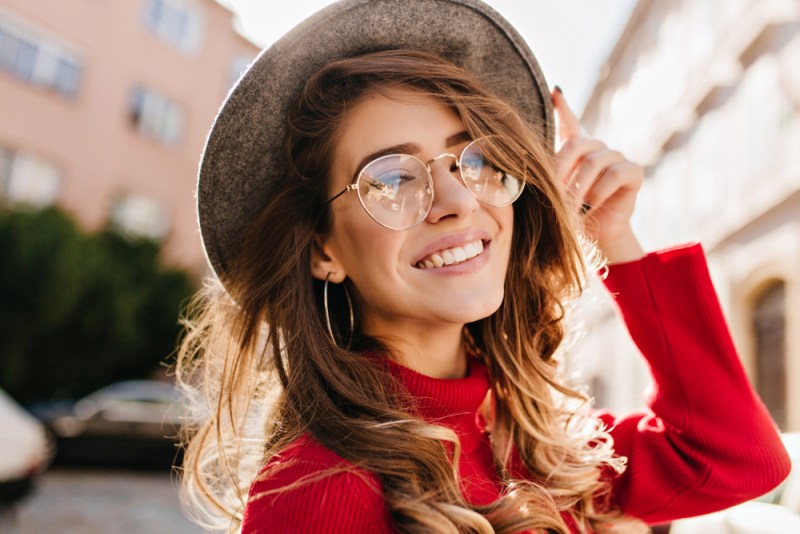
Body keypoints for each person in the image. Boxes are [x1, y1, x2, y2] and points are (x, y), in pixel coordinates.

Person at [177, 1, 791, 533]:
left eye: (472, 161)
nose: (457, 202)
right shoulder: (321, 486)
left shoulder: (540, 444)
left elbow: (736, 457)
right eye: (391, 178)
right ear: (322, 251)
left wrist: (616, 238)